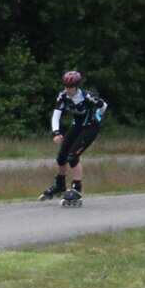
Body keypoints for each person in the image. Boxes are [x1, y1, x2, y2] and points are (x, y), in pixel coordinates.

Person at [38, 69, 109, 206]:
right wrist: (56, 132)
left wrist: (98, 117)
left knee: (72, 156)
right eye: (66, 86)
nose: (68, 89)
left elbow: (104, 106)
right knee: (61, 156)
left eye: (71, 87)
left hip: (90, 127)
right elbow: (56, 114)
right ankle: (60, 185)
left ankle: (77, 189)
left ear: (77, 86)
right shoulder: (63, 96)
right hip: (77, 126)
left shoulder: (88, 97)